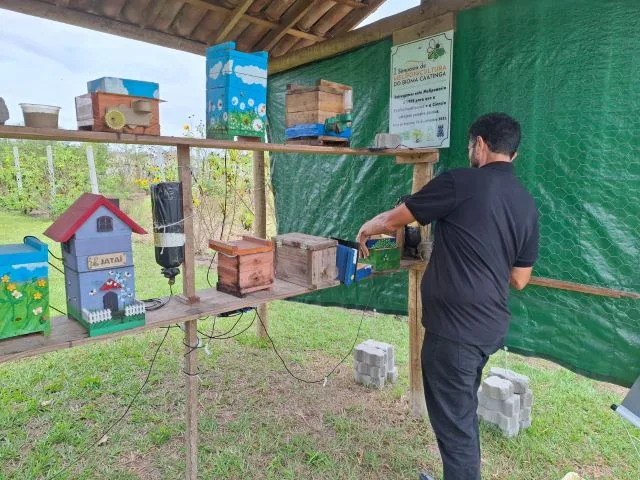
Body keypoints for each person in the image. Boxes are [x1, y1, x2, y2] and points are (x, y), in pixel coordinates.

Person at [357, 113, 539, 480]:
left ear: (481, 145)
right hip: (488, 328)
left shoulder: (460, 182)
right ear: (514, 155)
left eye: (472, 145)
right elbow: (520, 279)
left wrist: (367, 227)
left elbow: (397, 219)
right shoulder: (527, 204)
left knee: (455, 432)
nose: (471, 151)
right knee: (460, 413)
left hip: (454, 333)